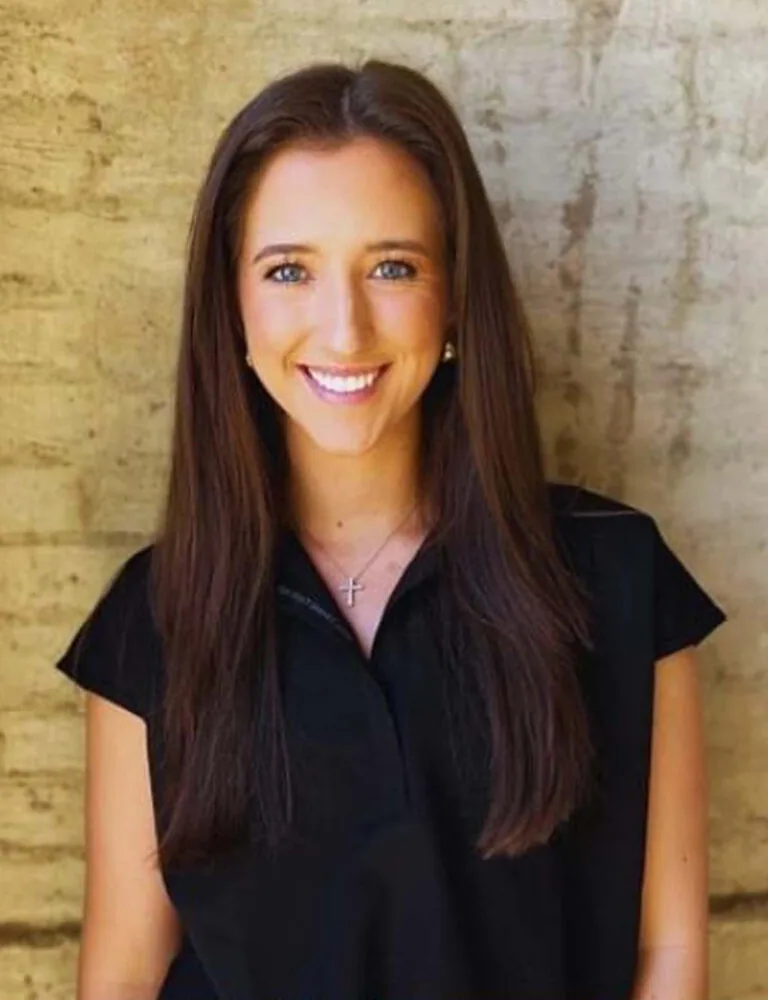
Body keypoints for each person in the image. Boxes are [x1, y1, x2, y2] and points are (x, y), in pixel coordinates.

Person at [55, 58, 728, 1000]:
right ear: (231, 305)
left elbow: (666, 955)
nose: (344, 328)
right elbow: (125, 970)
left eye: (393, 267)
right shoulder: (156, 617)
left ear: (454, 297)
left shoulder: (614, 579)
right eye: (289, 270)